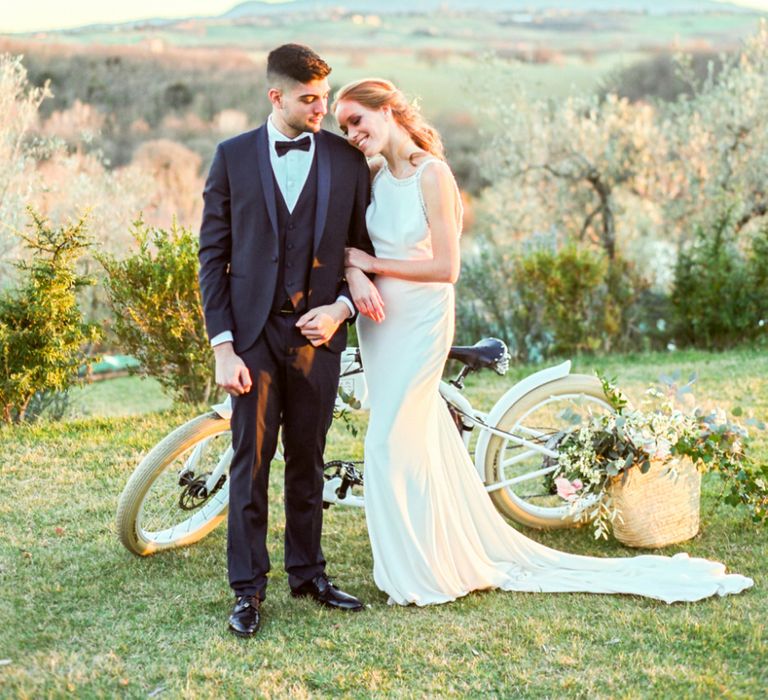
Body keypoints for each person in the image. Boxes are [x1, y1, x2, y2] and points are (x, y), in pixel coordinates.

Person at [333, 78, 754, 607]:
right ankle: (428, 553)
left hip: (419, 321)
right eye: (342, 126)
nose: (350, 133)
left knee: (388, 441)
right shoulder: (372, 175)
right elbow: (351, 246)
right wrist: (356, 274)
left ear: (389, 111)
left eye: (356, 120)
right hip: (378, 323)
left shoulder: (432, 175)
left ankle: (421, 569)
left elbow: (446, 267)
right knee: (414, 439)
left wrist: (373, 264)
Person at [198, 44, 378, 637]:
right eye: (309, 99)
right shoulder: (230, 158)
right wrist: (223, 346)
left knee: (309, 460)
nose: (321, 109)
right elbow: (213, 257)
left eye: (324, 97)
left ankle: (309, 573)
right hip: (249, 339)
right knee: (251, 462)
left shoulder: (347, 163)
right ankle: (248, 590)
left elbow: (365, 255)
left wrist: (341, 310)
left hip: (318, 337)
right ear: (276, 96)